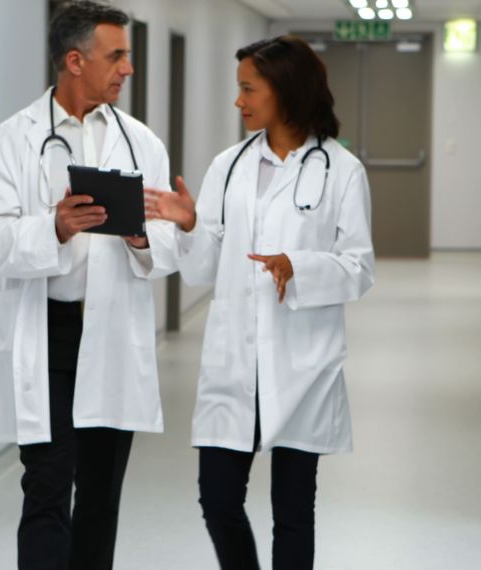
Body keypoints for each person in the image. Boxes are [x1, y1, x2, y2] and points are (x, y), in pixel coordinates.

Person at [145, 35, 376, 569]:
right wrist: (190, 223)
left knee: (293, 511)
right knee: (218, 500)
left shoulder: (341, 170)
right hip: (234, 364)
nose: (239, 101)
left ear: (286, 90)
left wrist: (301, 266)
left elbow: (360, 267)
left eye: (248, 88)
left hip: (302, 365)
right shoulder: (229, 166)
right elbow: (205, 267)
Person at [0, 2, 176, 568]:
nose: (127, 69)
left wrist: (143, 237)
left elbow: (169, 245)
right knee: (47, 491)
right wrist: (54, 227)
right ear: (75, 59)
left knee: (101, 498)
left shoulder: (141, 143)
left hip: (111, 334)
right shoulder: (13, 139)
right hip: (49, 335)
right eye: (117, 56)